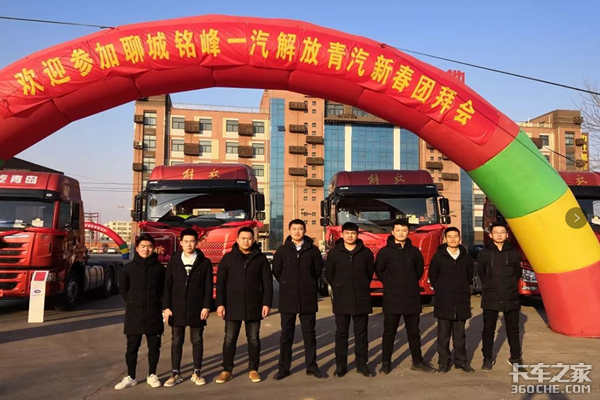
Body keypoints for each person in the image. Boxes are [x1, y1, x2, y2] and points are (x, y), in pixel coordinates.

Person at [376, 219, 436, 375]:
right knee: (389, 332)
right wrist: (391, 283)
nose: (401, 233)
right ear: (392, 232)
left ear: (409, 232)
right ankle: (386, 363)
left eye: (404, 230)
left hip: (411, 297)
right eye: (398, 230)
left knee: (414, 332)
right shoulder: (384, 252)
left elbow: (419, 271)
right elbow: (380, 271)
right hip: (392, 298)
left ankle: (417, 361)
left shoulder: (414, 252)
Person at [214, 227, 273, 384]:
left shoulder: (260, 259)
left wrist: (266, 303)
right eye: (243, 238)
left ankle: (253, 369)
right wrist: (220, 304)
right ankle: (227, 370)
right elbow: (220, 284)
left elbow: (267, 283)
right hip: (232, 304)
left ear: (253, 240)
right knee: (229, 338)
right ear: (237, 240)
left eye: (249, 238)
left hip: (254, 304)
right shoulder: (228, 258)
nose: (246, 241)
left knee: (253, 338)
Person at [272, 219, 325, 380]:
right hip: (288, 298)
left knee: (309, 335)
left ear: (305, 230)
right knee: (286, 335)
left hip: (308, 298)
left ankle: (312, 366)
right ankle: (283, 368)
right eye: (294, 229)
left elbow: (317, 271)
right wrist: (287, 284)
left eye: (300, 228)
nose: (297, 232)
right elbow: (277, 271)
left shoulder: (313, 251)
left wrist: (308, 284)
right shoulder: (282, 251)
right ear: (289, 231)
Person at [162, 228, 213, 387]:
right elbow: (167, 285)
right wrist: (166, 307)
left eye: (192, 241)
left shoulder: (204, 262)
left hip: (197, 307)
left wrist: (206, 306)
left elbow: (208, 286)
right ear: (181, 242)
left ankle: (197, 372)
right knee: (176, 340)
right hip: (177, 307)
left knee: (197, 340)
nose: (189, 244)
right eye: (186, 241)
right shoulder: (174, 261)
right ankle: (175, 373)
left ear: (197, 243)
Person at [115, 234, 166, 390]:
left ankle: (152, 375)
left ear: (153, 248)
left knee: (154, 347)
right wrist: (132, 302)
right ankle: (131, 376)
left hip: (154, 312)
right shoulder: (128, 268)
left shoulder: (160, 269)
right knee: (132, 348)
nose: (146, 249)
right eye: (143, 246)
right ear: (137, 248)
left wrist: (162, 307)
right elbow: (123, 289)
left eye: (149, 247)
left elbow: (164, 290)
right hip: (134, 313)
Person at [326, 222, 375, 378]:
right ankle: (341, 366)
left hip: (361, 298)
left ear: (357, 234)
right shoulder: (334, 253)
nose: (350, 236)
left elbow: (369, 273)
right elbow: (329, 274)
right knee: (341, 334)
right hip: (342, 298)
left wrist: (361, 285)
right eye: (347, 233)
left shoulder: (365, 253)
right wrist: (339, 287)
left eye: (353, 233)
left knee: (361, 334)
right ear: (342, 234)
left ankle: (362, 364)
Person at [477, 222, 524, 371]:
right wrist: (489, 286)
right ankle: (487, 358)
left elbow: (518, 273)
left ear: (507, 235)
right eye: (496, 232)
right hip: (491, 296)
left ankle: (515, 357)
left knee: (513, 329)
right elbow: (481, 273)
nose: (499, 235)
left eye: (502, 232)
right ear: (490, 235)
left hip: (510, 296)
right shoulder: (484, 253)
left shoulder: (514, 253)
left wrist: (509, 286)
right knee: (488, 329)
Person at [429, 227, 475, 374]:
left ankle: (461, 361)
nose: (453, 239)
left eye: (456, 236)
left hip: (461, 302)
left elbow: (469, 277)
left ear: (460, 238)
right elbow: (433, 275)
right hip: (444, 301)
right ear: (445, 239)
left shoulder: (466, 258)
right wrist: (441, 290)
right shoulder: (438, 257)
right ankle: (444, 362)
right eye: (450, 236)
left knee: (460, 336)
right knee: (443, 336)